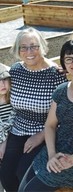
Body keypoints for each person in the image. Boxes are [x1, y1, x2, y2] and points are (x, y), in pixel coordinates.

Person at [18, 39, 73, 191]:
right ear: (63, 64)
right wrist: (52, 153)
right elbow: (50, 125)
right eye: (68, 58)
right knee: (21, 186)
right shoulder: (61, 91)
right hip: (55, 151)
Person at [0, 27, 67, 192]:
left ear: (42, 47)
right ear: (18, 50)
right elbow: (13, 107)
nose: (29, 51)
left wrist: (41, 135)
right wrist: (4, 139)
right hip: (18, 130)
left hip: (44, 132)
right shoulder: (16, 70)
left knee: (22, 173)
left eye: (34, 46)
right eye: (23, 47)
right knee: (6, 175)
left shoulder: (55, 74)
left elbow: (64, 115)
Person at [0, 64, 14, 160]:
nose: (2, 84)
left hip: (13, 141)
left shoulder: (15, 101)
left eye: (4, 79)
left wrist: (5, 143)